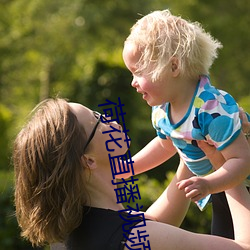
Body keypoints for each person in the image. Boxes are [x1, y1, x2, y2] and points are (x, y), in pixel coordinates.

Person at [13, 98, 250, 250]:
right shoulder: (133, 236)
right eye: (98, 120)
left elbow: (157, 223)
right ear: (88, 160)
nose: (111, 119)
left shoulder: (75, 231)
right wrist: (226, 166)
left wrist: (189, 140)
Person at [122, 9, 250, 238]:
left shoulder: (211, 109)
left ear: (173, 67)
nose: (133, 82)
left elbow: (242, 160)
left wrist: (209, 184)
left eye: (138, 72)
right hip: (221, 188)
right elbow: (165, 145)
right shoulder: (162, 110)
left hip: (239, 184)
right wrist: (127, 169)